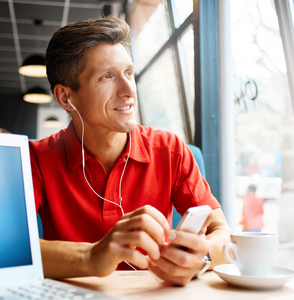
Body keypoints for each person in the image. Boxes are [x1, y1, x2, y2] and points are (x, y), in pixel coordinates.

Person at [29, 16, 231, 286]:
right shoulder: (35, 158)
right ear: (66, 97)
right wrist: (93, 256)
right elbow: (6, 250)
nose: (128, 90)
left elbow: (222, 232)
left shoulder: (170, 150)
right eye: (107, 76)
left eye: (128, 73)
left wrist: (202, 258)